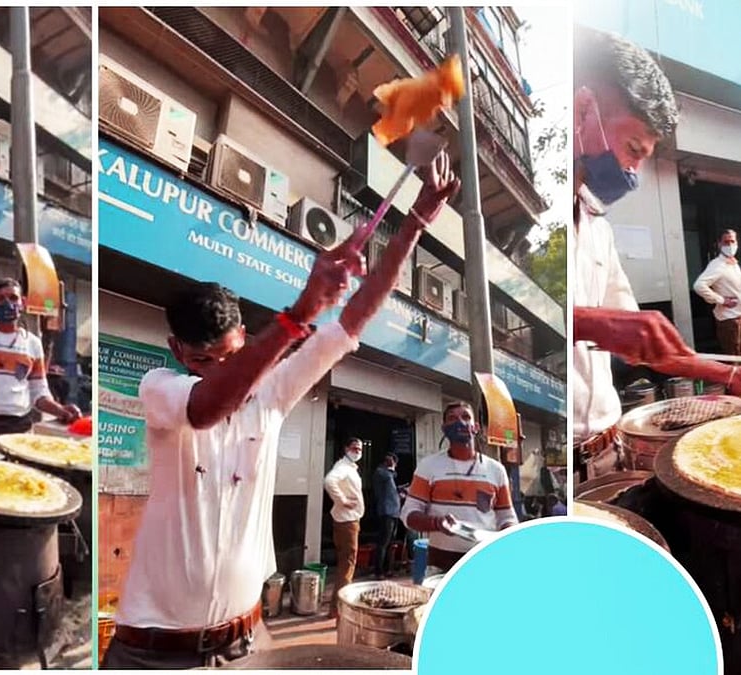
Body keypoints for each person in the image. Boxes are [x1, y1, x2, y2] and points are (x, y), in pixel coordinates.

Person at [102, 151, 460, 669]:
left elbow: (354, 318)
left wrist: (414, 225)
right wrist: (299, 315)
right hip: (155, 652)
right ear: (178, 352)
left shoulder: (271, 393)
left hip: (246, 641)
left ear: (244, 339)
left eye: (228, 356)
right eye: (201, 359)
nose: (215, 369)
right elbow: (206, 409)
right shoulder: (162, 389)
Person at [571, 31, 741, 482]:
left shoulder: (597, 227)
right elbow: (593, 324)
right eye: (633, 149)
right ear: (583, 111)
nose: (634, 171)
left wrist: (725, 374)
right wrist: (594, 322)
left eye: (645, 157)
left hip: (608, 451)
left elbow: (642, 346)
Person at [0, 278, 82, 435]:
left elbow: (39, 392)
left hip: (20, 429)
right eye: (0, 299)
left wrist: (63, 411)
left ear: (23, 302)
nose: (7, 303)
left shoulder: (33, 343)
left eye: (13, 298)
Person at [399, 402, 518, 571]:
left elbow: (507, 516)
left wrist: (507, 537)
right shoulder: (428, 466)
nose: (460, 422)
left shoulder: (496, 469)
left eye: (466, 417)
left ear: (475, 427)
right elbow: (408, 514)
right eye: (452, 419)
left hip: (484, 558)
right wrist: (436, 523)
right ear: (444, 428)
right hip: (441, 559)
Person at [323, 438, 365, 617]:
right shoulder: (342, 468)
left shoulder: (349, 468)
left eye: (359, 449)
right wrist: (343, 501)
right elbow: (329, 481)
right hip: (346, 521)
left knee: (345, 564)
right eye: (354, 448)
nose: (357, 451)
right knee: (347, 565)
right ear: (346, 448)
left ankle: (336, 608)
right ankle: (339, 609)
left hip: (350, 521)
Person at [693, 229, 741, 356]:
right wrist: (722, 300)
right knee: (735, 361)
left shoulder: (734, 264)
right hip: (729, 320)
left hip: (740, 318)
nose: (730, 245)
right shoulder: (717, 265)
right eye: (726, 242)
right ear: (719, 244)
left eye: (732, 241)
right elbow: (699, 285)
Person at [371, 452, 402, 579]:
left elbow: (394, 475)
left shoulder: (389, 474)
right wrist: (390, 466)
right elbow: (388, 475)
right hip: (386, 511)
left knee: (390, 543)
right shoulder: (380, 472)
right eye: (392, 461)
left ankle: (388, 569)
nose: (394, 464)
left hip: (394, 512)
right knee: (383, 542)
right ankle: (379, 571)